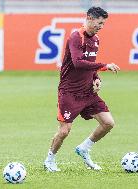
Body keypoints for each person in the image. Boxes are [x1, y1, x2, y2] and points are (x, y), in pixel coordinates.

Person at [43, 6, 120, 172]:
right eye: (99, 23)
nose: (101, 26)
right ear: (89, 18)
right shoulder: (76, 37)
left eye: (103, 24)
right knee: (64, 131)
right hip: (69, 92)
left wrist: (96, 78)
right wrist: (105, 66)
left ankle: (84, 148)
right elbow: (78, 63)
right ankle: (49, 160)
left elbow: (90, 63)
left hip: (88, 92)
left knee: (108, 123)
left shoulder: (96, 39)